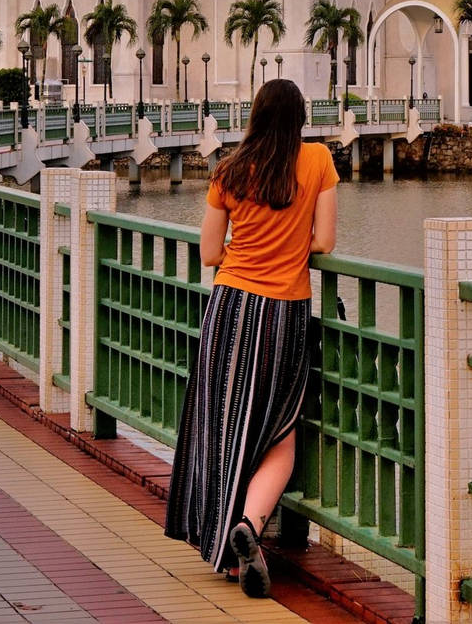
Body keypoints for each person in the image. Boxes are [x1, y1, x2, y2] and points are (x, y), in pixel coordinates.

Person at [164, 77, 338, 598]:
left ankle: (235, 548)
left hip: (230, 307)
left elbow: (210, 254)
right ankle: (250, 524)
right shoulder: (318, 162)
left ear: (256, 116)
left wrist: (251, 246)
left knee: (227, 429)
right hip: (284, 311)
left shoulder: (230, 169)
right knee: (279, 432)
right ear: (301, 118)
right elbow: (325, 242)